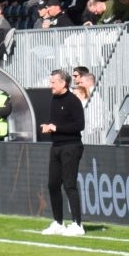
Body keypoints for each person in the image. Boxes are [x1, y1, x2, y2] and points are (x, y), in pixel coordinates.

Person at [39, 69, 87, 236]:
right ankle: (58, 222)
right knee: (52, 184)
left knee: (69, 185)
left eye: (53, 82)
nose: (50, 85)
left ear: (63, 83)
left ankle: (77, 224)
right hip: (56, 146)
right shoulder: (54, 99)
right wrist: (49, 127)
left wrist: (56, 128)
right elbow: (56, 124)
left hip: (71, 147)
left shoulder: (73, 101)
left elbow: (80, 125)